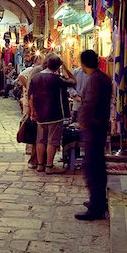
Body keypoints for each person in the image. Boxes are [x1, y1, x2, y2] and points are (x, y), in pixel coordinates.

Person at [75, 50, 112, 221]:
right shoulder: (103, 77)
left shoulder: (95, 80)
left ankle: (96, 207)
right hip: (99, 126)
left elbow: (90, 103)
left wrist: (82, 121)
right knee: (97, 165)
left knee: (92, 167)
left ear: (83, 63)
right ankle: (98, 201)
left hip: (93, 128)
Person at [28, 53, 76, 173]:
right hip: (54, 113)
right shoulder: (57, 79)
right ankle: (49, 166)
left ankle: (40, 165)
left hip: (40, 113)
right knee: (52, 140)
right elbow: (73, 81)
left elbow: (31, 96)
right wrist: (65, 66)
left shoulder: (36, 78)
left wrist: (33, 110)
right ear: (57, 66)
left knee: (40, 140)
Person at [18, 55, 45, 160]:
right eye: (40, 59)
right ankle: (29, 148)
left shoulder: (41, 71)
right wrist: (27, 86)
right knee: (29, 124)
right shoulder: (31, 69)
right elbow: (20, 76)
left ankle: (32, 150)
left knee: (33, 125)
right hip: (29, 100)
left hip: (32, 99)